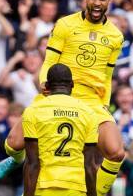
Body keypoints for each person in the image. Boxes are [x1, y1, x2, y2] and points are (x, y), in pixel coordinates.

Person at [0, 0, 126, 196]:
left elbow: (107, 75)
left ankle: (97, 193)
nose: (97, 3)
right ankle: (17, 159)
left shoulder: (115, 36)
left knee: (116, 152)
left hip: (91, 99)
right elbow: (50, 59)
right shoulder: (65, 24)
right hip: (61, 89)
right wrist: (45, 83)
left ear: (109, 1)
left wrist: (104, 105)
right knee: (13, 143)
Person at [23, 63, 98, 196]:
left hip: (44, 187)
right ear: (72, 84)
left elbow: (32, 163)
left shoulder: (33, 111)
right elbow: (89, 165)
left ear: (46, 86)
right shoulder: (89, 113)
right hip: (76, 188)